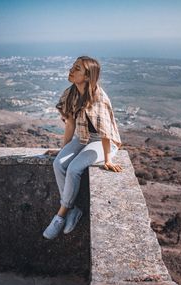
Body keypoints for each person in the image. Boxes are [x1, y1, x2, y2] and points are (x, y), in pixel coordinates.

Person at [43, 56, 123, 240]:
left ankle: (61, 215)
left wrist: (108, 159)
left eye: (77, 68)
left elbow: (105, 132)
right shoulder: (70, 93)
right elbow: (70, 125)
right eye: (73, 66)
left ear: (87, 76)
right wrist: (63, 150)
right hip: (82, 138)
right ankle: (73, 210)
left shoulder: (98, 97)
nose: (71, 70)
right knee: (58, 163)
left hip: (103, 142)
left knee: (74, 168)